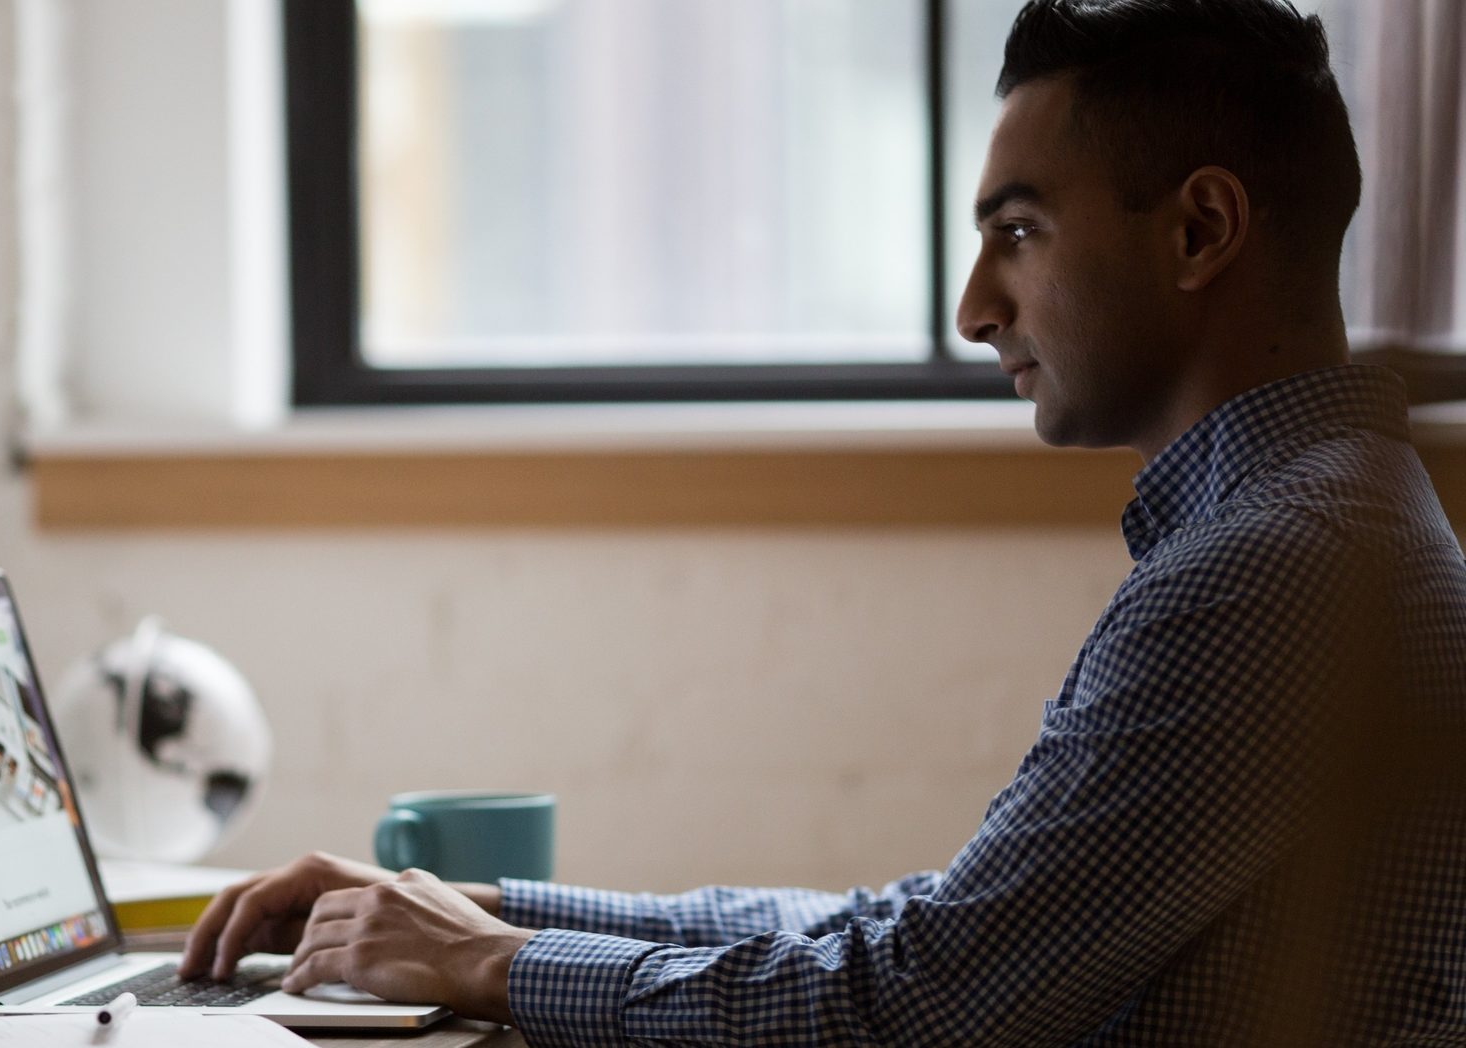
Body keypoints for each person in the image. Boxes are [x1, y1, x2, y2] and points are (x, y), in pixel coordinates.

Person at [179, 1, 1466, 1043]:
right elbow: (925, 934)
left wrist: (497, 966)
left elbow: (910, 1003)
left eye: (1017, 232)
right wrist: (483, 912)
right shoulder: (1328, 527)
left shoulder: (1268, 573)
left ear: (1199, 230)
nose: (973, 309)